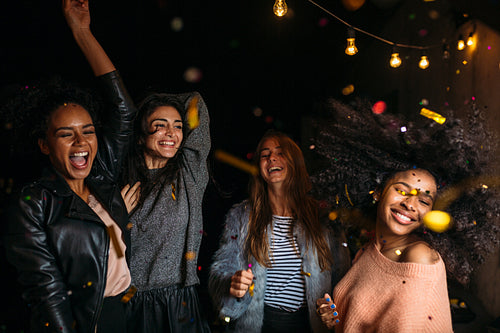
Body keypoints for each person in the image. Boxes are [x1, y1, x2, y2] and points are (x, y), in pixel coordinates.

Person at [2, 0, 137, 331]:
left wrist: (82, 32)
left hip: (126, 314)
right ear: (45, 144)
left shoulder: (102, 179)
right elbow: (47, 293)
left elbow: (124, 111)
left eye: (87, 131)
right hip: (86, 323)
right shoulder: (34, 204)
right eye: (66, 134)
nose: (81, 142)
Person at [311, 99, 500, 332]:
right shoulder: (370, 250)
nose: (411, 204)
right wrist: (335, 318)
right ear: (378, 192)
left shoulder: (418, 257)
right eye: (401, 190)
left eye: (424, 200)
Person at [209, 130, 351, 333]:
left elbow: (343, 279)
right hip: (260, 325)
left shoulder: (323, 217)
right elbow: (222, 269)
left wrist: (335, 311)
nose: (272, 158)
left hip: (308, 325)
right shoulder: (241, 216)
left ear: (295, 162)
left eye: (280, 152)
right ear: (259, 166)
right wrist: (231, 284)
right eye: (265, 155)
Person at [121, 90, 211, 331]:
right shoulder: (121, 185)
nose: (171, 133)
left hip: (179, 300)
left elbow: (196, 101)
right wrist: (116, 216)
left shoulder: (189, 175)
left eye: (178, 126)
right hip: (131, 301)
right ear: (140, 136)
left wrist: (156, 104)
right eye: (160, 126)